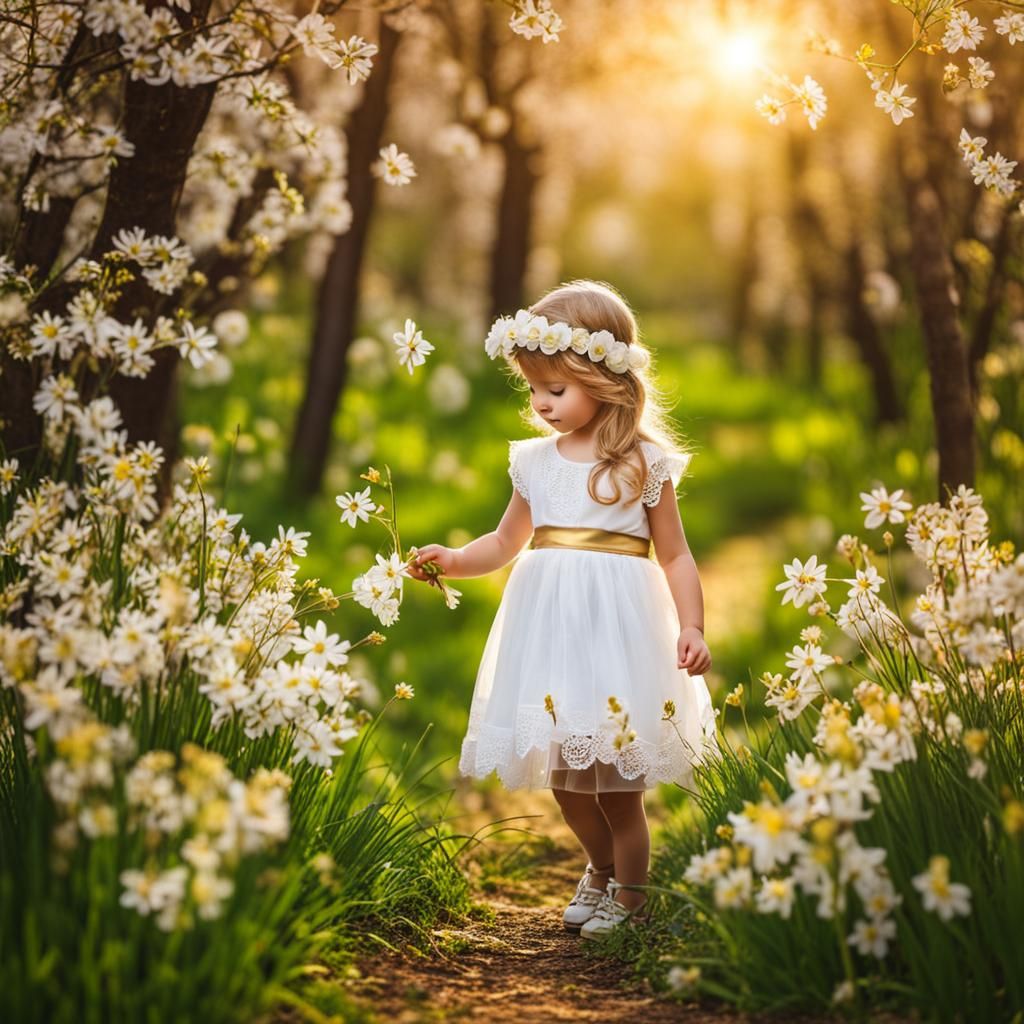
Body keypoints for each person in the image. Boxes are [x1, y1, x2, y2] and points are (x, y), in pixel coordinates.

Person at [409, 279, 717, 939]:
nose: (542, 405)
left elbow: (677, 558)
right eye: (534, 391)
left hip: (618, 635)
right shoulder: (535, 464)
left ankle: (631, 899)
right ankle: (598, 868)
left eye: (557, 390)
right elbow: (503, 541)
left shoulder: (644, 464)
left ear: (605, 381)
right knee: (568, 781)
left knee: (617, 787)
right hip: (553, 635)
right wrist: (454, 559)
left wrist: (691, 624)